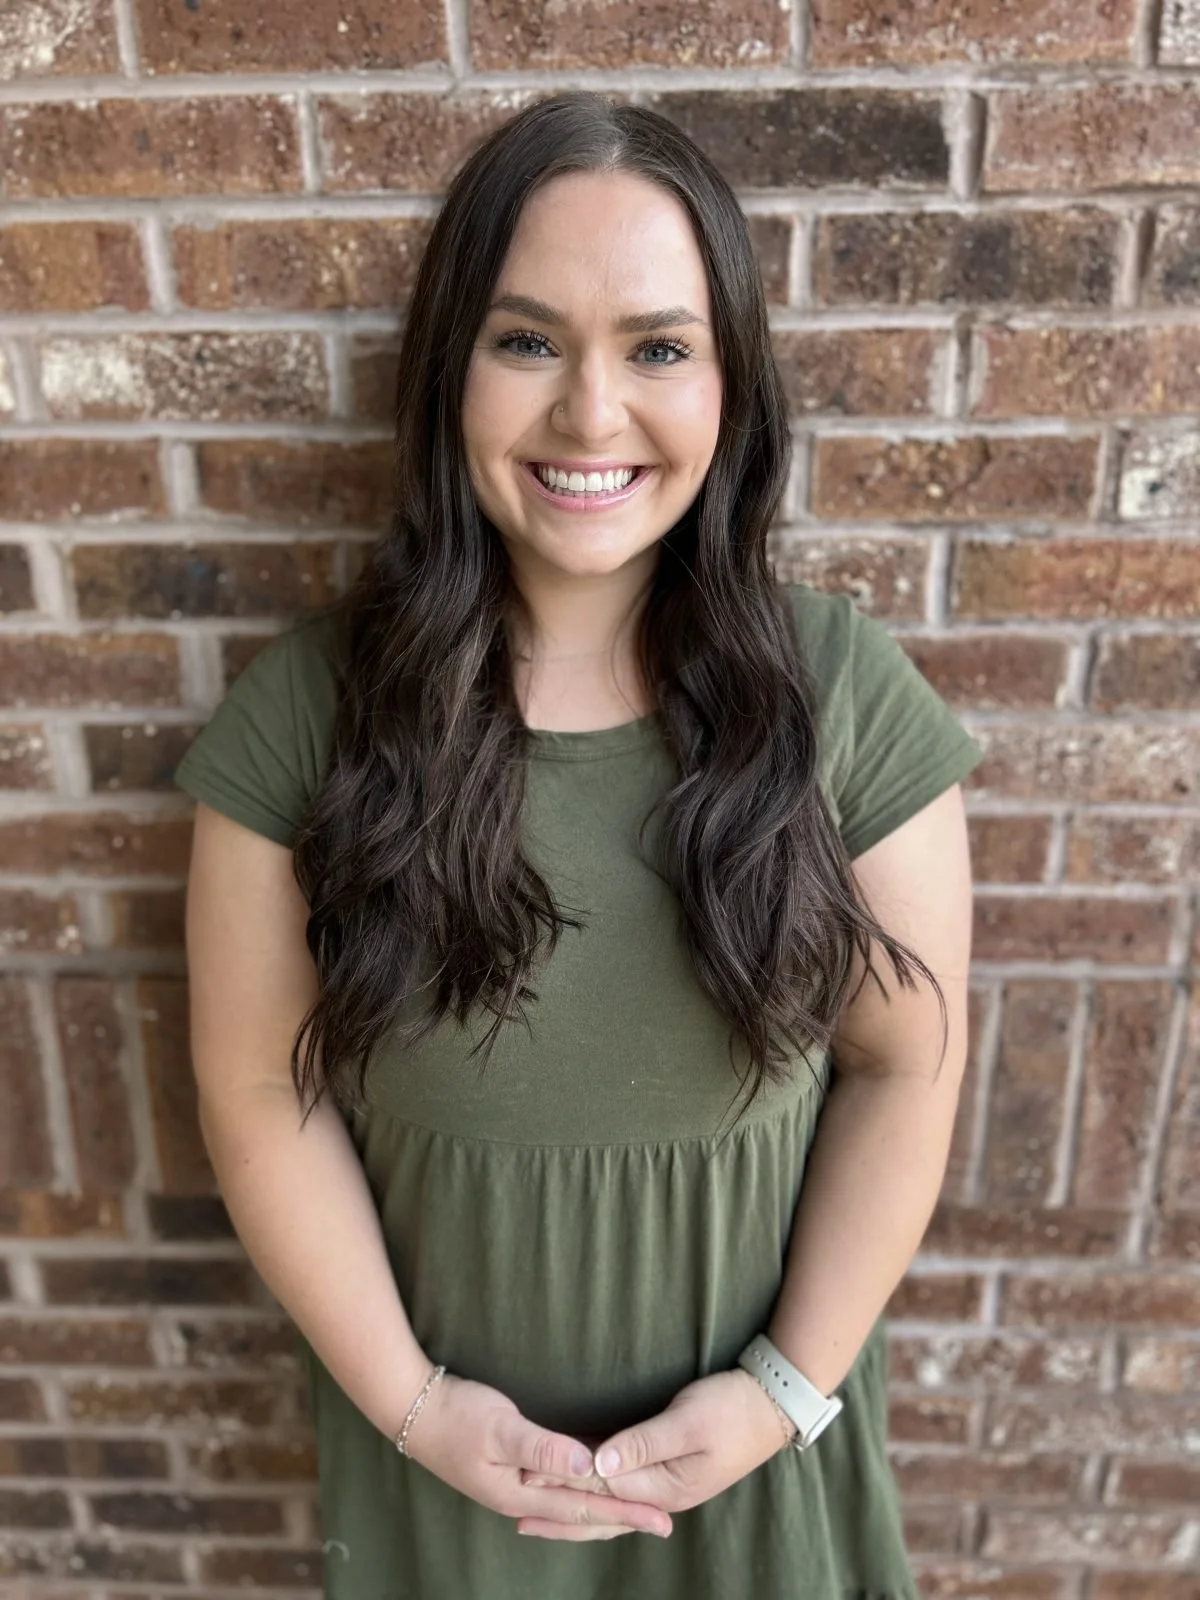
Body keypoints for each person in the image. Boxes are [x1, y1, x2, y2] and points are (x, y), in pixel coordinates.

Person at [175, 90, 982, 1599]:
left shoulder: (844, 700)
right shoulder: (306, 714)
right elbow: (250, 1085)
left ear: (730, 386)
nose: (591, 416)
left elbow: (904, 1065)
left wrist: (785, 1391)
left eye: (659, 348)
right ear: (446, 374)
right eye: (526, 340)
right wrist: (415, 1409)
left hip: (757, 1474)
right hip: (446, 1480)